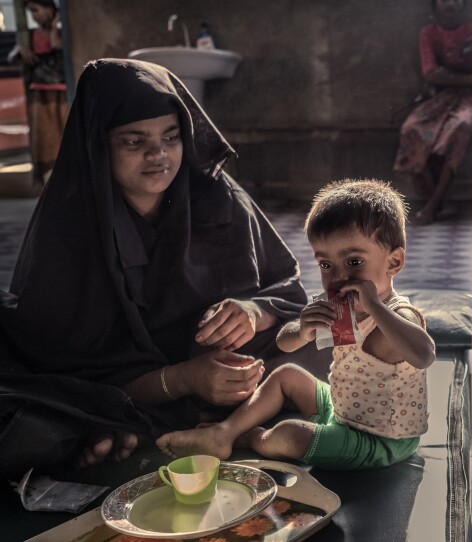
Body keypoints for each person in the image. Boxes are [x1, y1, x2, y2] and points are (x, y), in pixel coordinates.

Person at [0, 59, 309, 478]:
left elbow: (288, 288)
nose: (158, 155)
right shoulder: (69, 225)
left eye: (171, 137)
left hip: (227, 372)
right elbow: (64, 361)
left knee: (334, 344)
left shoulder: (216, 196)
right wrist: (181, 380)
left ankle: (130, 425)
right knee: (43, 411)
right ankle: (136, 421)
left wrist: (254, 311)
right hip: (127, 384)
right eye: (133, 141)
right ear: (99, 145)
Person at [157, 179, 436, 470]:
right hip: (340, 410)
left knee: (289, 436)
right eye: (326, 265)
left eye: (354, 262)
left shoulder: (398, 315)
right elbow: (284, 343)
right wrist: (302, 330)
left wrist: (375, 307)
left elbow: (424, 354)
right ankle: (224, 432)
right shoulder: (341, 308)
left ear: (393, 263)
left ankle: (250, 437)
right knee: (287, 374)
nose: (338, 277)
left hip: (381, 439)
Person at [392, 0, 472, 225]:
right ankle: (442, 204)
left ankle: (432, 206)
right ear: (435, 4)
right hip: (441, 97)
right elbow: (430, 73)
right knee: (412, 129)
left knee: (461, 126)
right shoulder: (429, 33)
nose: (451, 3)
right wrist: (470, 78)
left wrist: (449, 75)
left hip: (471, 98)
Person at [9, 0, 68, 193]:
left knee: (62, 131)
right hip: (39, 92)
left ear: (50, 10)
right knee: (42, 134)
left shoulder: (61, 33)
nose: (34, 16)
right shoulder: (30, 36)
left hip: (60, 92)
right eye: (31, 12)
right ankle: (44, 179)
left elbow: (56, 44)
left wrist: (55, 24)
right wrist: (21, 48)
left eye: (37, 10)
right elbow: (13, 57)